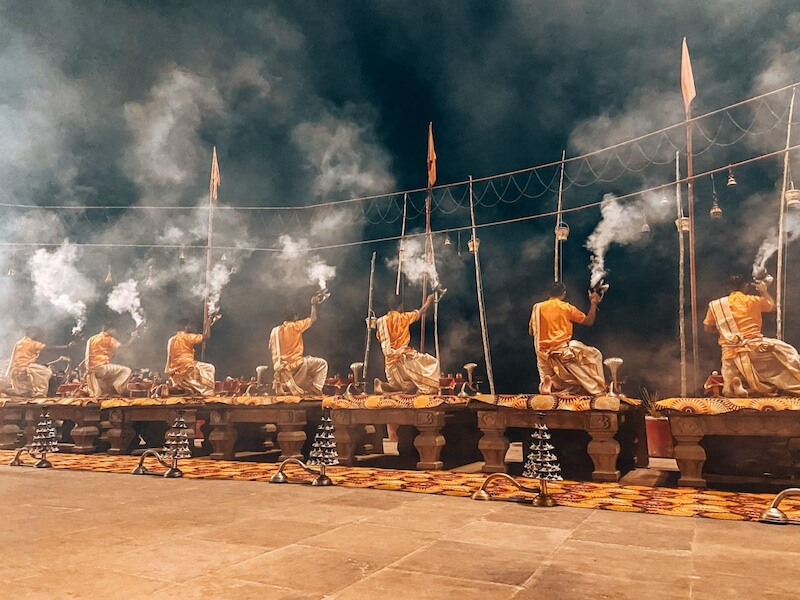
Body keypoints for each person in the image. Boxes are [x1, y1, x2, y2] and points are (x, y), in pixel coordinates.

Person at [703, 274, 800, 397]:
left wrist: (727, 333)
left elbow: (707, 328)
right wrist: (764, 291)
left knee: (728, 389)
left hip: (730, 354)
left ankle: (736, 387)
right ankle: (768, 388)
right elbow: (771, 305)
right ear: (745, 287)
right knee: (787, 359)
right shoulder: (752, 300)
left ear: (727, 288)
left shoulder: (716, 305)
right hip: (756, 348)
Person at [529, 281, 606, 396]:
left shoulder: (537, 307)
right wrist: (593, 303)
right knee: (594, 354)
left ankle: (550, 384)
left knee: (551, 387)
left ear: (549, 293)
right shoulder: (566, 308)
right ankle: (598, 389)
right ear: (563, 293)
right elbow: (589, 321)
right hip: (562, 353)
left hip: (542, 355)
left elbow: (531, 331)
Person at [374, 294, 440, 395]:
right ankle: (423, 390)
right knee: (432, 363)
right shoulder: (403, 318)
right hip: (404, 361)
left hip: (389, 367)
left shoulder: (381, 321)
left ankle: (384, 386)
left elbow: (379, 338)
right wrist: (429, 300)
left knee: (407, 387)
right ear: (400, 306)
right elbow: (421, 311)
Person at [269, 296, 328, 395]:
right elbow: (313, 319)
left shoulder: (274, 331)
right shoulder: (296, 326)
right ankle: (317, 388)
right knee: (322, 364)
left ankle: (286, 386)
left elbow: (271, 348)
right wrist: (313, 305)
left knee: (307, 365)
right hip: (296, 364)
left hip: (280, 368)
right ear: (295, 316)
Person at [4, 327, 73, 397]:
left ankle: (28, 392)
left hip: (15, 371)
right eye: (38, 334)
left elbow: (13, 358)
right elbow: (48, 348)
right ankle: (40, 392)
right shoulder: (30, 343)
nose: (39, 337)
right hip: (25, 369)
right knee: (47, 372)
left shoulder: (19, 343)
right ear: (32, 333)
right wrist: (67, 347)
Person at [165, 319, 215, 396]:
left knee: (198, 367)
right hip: (187, 368)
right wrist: (208, 324)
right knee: (210, 368)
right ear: (186, 327)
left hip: (173, 371)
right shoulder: (188, 337)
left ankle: (189, 389)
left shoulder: (171, 340)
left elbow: (169, 357)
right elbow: (206, 336)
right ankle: (205, 392)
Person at [84, 324, 135, 397]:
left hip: (90, 370)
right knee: (126, 370)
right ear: (110, 330)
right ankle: (115, 387)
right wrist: (133, 338)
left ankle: (110, 392)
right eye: (114, 330)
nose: (115, 332)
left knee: (112, 373)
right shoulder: (108, 339)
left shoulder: (91, 339)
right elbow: (124, 348)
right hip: (102, 369)